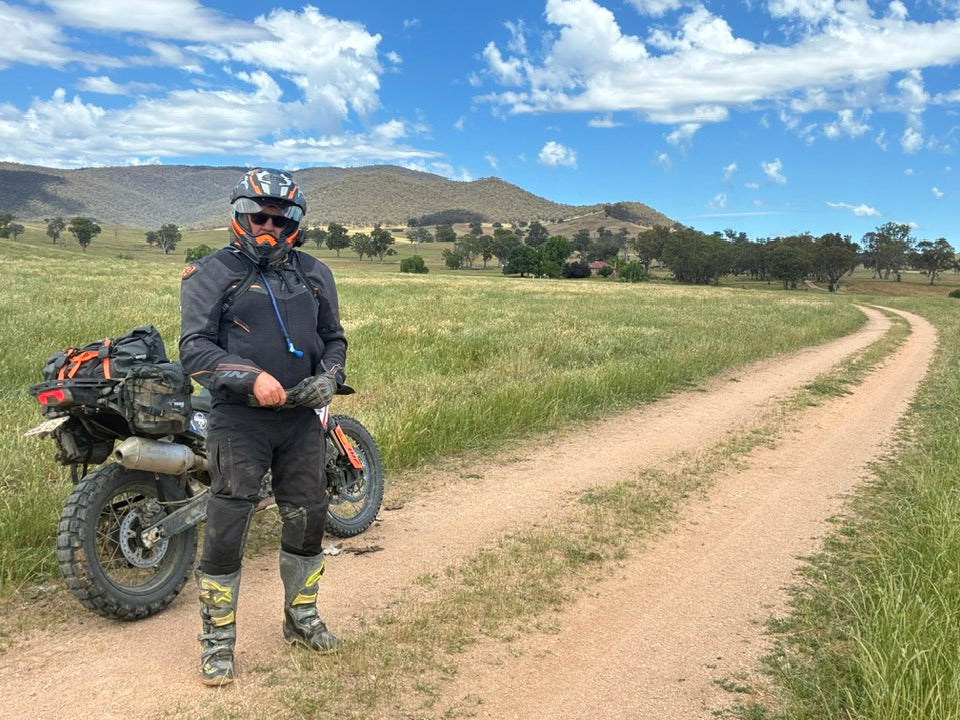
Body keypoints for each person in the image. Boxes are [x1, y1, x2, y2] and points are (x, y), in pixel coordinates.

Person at [179, 167, 347, 686]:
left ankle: (300, 619)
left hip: (299, 418)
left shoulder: (315, 273)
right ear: (240, 215)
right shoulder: (211, 272)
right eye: (259, 215)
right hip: (239, 419)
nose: (268, 225)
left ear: (295, 221)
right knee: (229, 523)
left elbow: (334, 339)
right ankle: (218, 641)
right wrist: (250, 378)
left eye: (280, 217)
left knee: (309, 517)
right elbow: (193, 349)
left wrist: (329, 377)